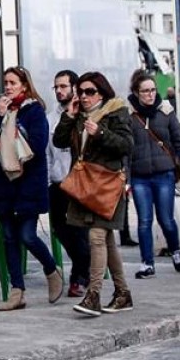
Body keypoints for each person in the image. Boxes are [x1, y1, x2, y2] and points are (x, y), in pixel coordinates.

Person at [54, 72, 135, 316]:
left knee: (97, 237)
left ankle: (94, 294)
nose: (85, 96)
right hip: (86, 185)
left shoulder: (116, 111)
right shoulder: (77, 115)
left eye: (90, 92)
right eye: (81, 92)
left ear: (102, 92)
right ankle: (122, 293)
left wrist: (100, 132)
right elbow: (59, 141)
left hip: (107, 184)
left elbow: (126, 145)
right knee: (107, 241)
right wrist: (69, 115)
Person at [0, 66, 61, 311]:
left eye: (13, 82)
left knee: (27, 235)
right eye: (5, 82)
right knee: (8, 238)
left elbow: (37, 144)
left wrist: (16, 131)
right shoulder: (3, 111)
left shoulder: (34, 111)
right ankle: (17, 292)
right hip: (5, 185)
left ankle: (51, 269)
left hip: (27, 184)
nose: (8, 86)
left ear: (24, 86)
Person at [128, 72, 180, 279]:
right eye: (145, 91)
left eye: (152, 90)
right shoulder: (129, 115)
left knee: (166, 219)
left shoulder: (165, 111)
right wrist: (125, 178)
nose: (150, 95)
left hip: (164, 174)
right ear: (136, 92)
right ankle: (147, 264)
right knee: (144, 220)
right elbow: (125, 149)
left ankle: (175, 251)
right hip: (140, 176)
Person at [47, 69, 91, 297]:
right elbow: (47, 153)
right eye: (56, 87)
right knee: (60, 230)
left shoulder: (83, 115)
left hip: (79, 183)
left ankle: (79, 278)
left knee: (79, 232)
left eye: (63, 86)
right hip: (57, 183)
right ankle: (86, 263)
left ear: (74, 88)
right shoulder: (51, 118)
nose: (59, 91)